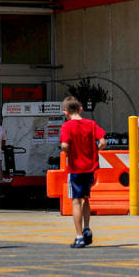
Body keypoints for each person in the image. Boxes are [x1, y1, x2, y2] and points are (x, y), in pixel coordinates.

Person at [59, 96, 105, 248]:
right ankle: (86, 228)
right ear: (80, 109)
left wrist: (69, 152)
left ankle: (79, 236)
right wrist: (94, 151)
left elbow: (64, 145)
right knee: (86, 198)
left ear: (65, 112)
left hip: (75, 167)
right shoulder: (91, 124)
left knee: (76, 201)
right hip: (90, 167)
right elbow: (103, 142)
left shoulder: (67, 127)